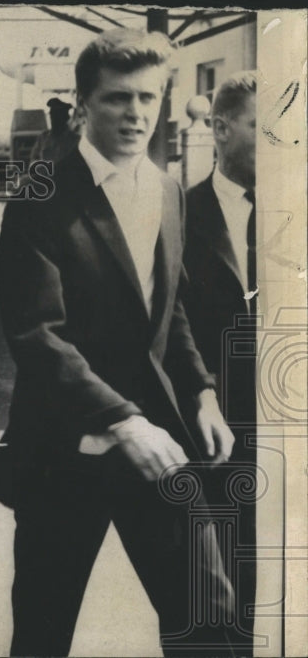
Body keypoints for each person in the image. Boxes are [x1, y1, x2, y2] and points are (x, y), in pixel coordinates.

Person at [0, 29, 239, 656]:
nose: (136, 114)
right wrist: (124, 422)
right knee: (43, 632)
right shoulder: (39, 198)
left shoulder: (169, 191)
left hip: (162, 442)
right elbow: (37, 335)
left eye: (149, 98)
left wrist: (201, 392)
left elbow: (166, 313)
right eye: (119, 98)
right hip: (63, 451)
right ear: (84, 102)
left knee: (208, 618)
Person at [182, 70, 259, 652]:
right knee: (223, 593)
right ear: (221, 128)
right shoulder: (179, 217)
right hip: (219, 434)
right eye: (267, 127)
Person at [29, 97, 80, 164]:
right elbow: (33, 159)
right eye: (52, 116)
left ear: (65, 118)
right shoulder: (43, 137)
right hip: (46, 173)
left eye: (57, 116)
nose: (53, 120)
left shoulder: (74, 140)